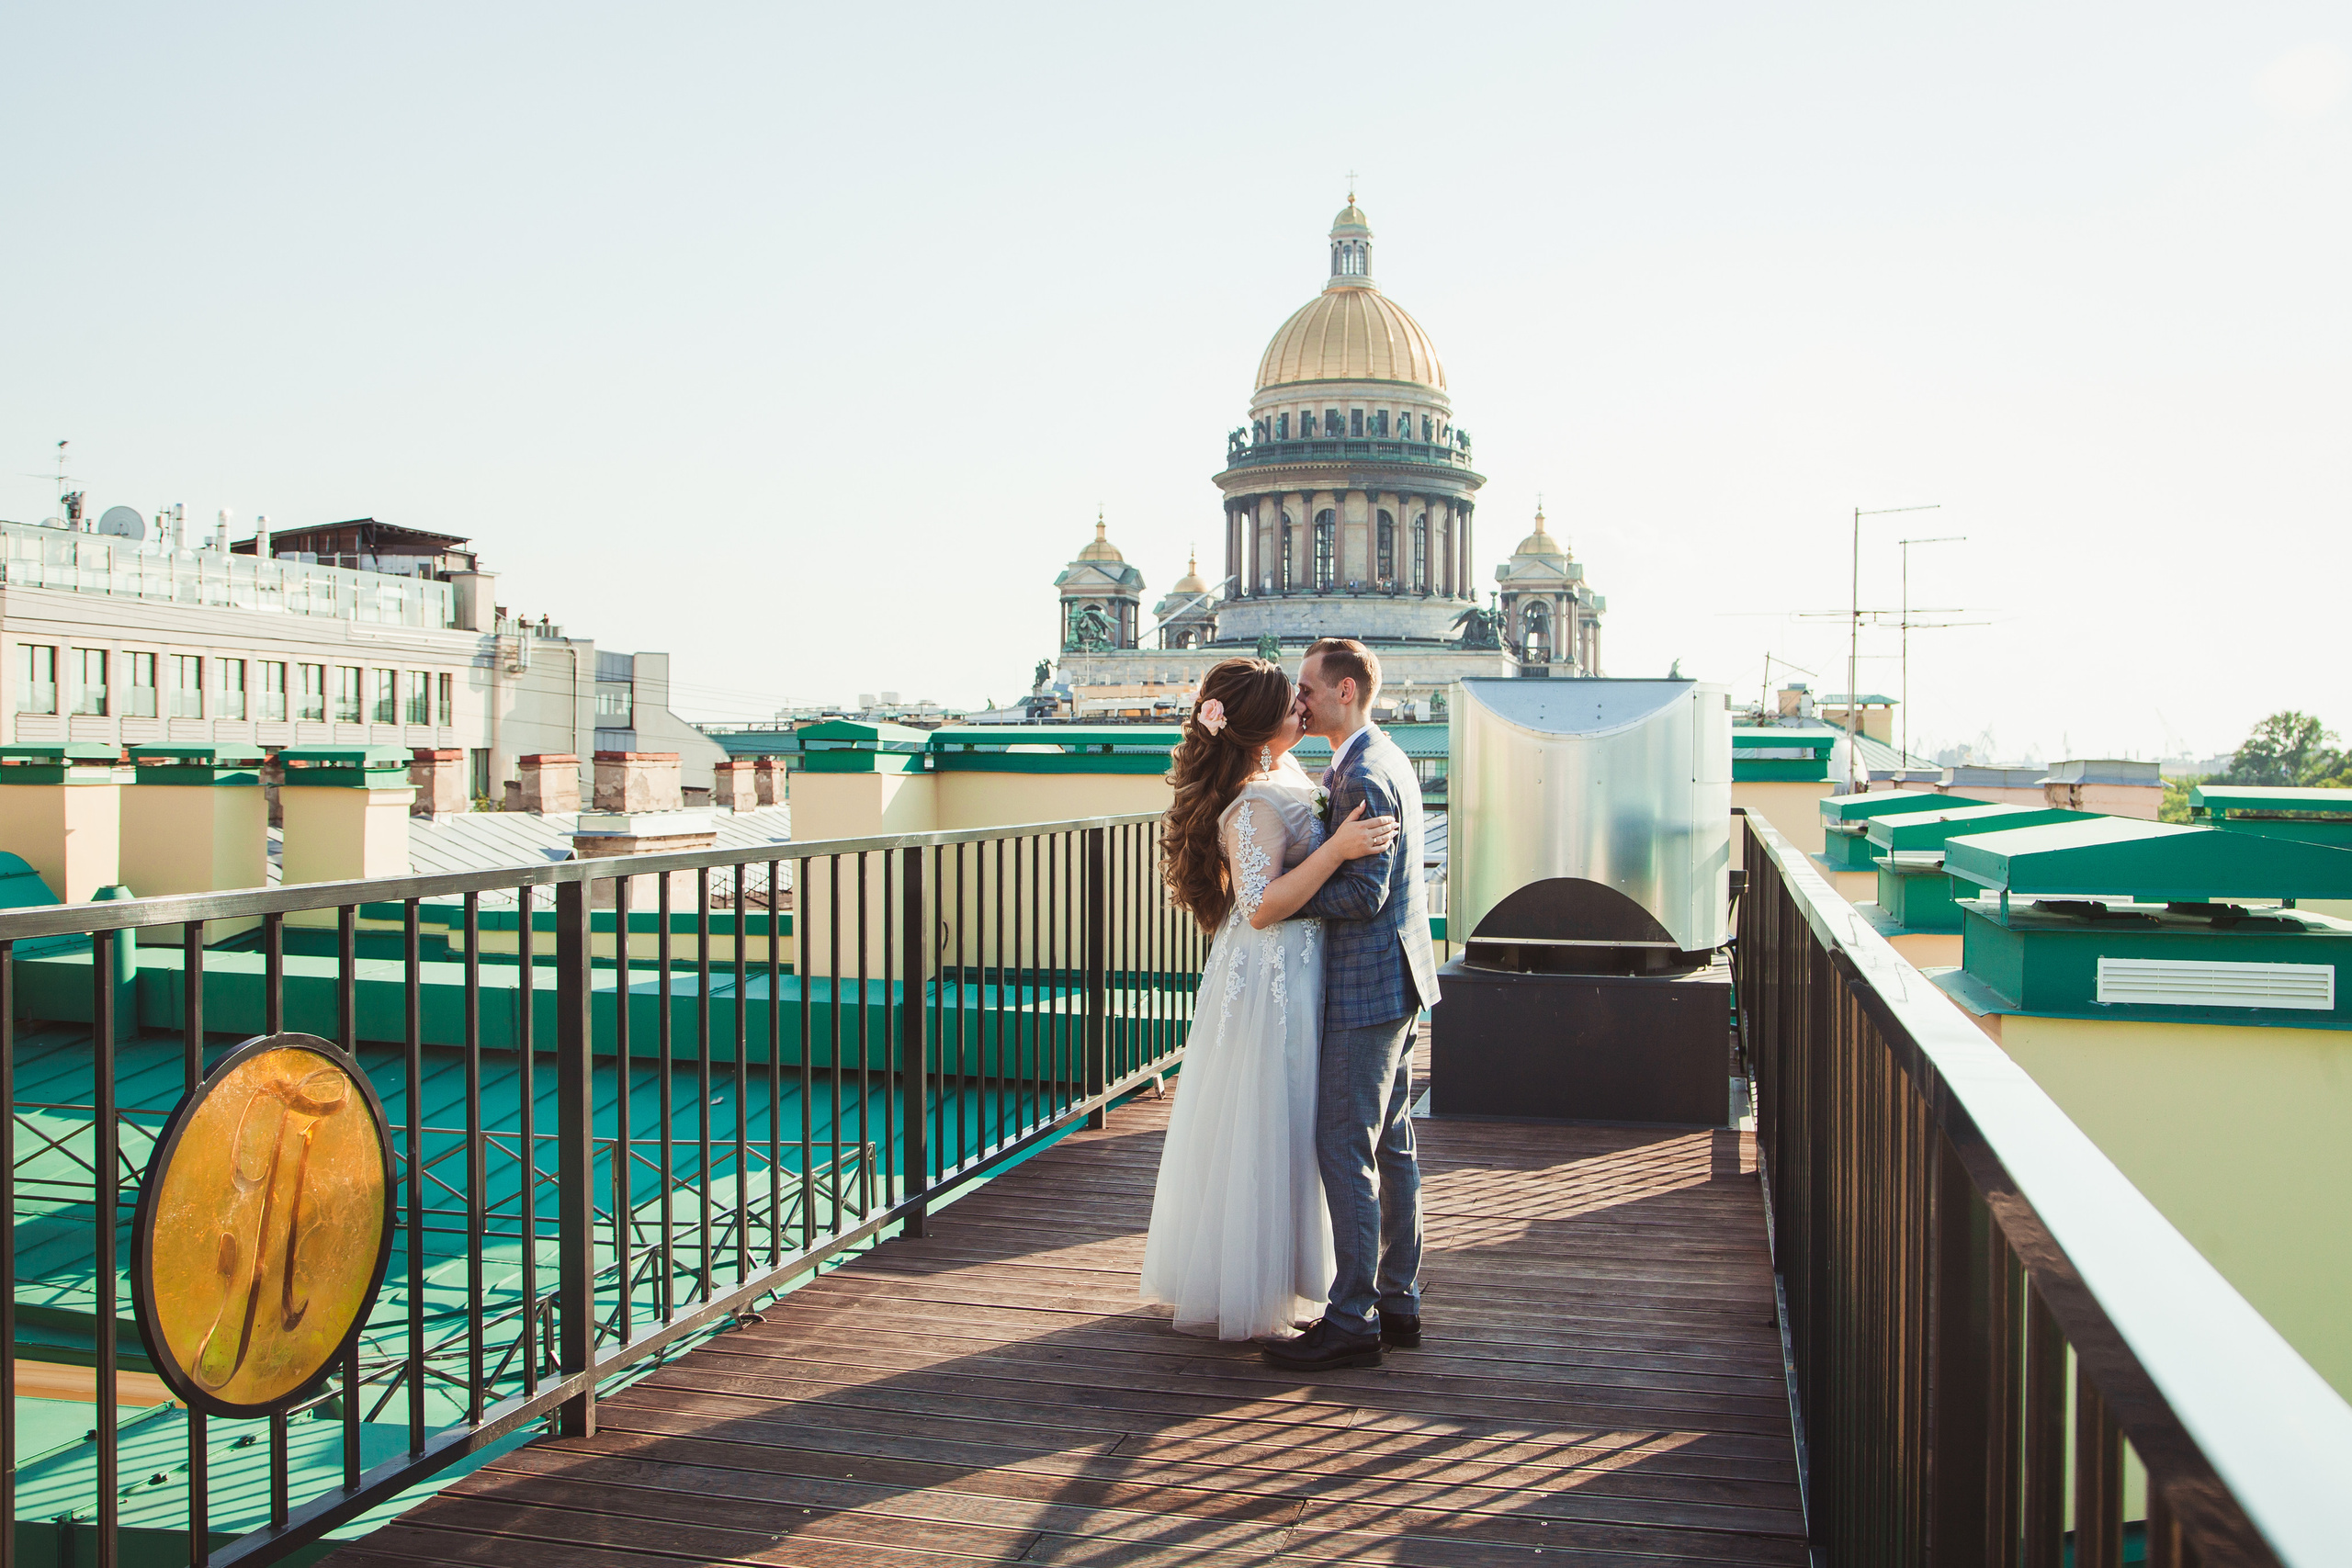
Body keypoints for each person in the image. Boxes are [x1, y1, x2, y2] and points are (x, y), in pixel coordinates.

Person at [1139, 657, 1400, 1340]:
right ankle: (1258, 1286)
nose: (1302, 709)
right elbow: (1259, 905)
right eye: (1292, 703)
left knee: (1298, 1117)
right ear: (1259, 727)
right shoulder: (1253, 800)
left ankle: (1306, 1278)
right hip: (1269, 975)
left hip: (1298, 965)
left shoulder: (1280, 774)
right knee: (1269, 1117)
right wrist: (1340, 848)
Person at [1261, 637, 1440, 1371]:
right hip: (1400, 978)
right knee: (1390, 1144)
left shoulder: (1363, 770)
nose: (1297, 700)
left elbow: (1365, 893)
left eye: (1306, 687)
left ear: (1344, 692)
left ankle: (1353, 1318)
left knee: (1345, 1144)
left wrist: (1292, 891)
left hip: (1368, 987)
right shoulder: (1381, 754)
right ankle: (1398, 1299)